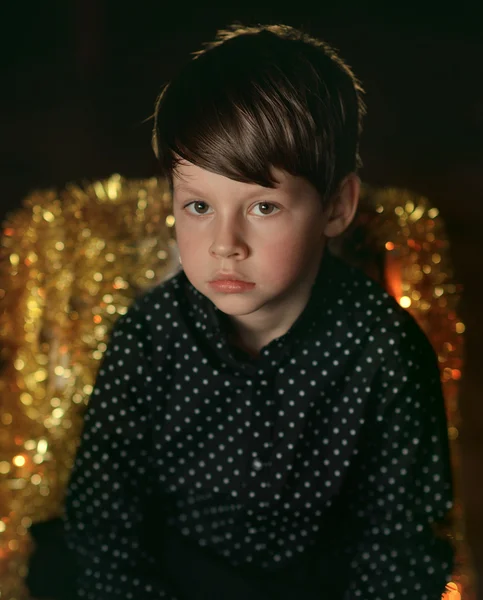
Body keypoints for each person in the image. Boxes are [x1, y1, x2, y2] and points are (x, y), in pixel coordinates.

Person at [63, 23, 454, 599]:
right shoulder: (149, 339)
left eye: (264, 207)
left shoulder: (384, 351)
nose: (226, 243)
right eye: (199, 205)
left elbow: (401, 540)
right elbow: (104, 518)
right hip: (176, 575)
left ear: (337, 206)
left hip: (319, 583)